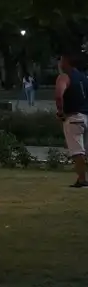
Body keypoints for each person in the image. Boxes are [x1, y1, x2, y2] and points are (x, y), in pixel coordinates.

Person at [54, 53, 87, 188]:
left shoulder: (64, 77)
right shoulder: (84, 77)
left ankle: (82, 179)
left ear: (66, 62)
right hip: (86, 115)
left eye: (60, 60)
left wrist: (60, 112)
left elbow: (59, 95)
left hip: (73, 117)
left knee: (77, 151)